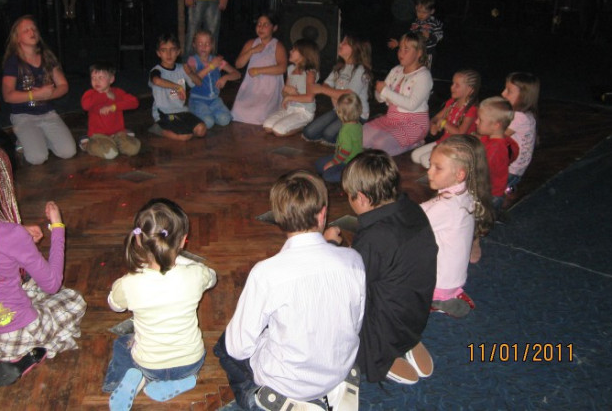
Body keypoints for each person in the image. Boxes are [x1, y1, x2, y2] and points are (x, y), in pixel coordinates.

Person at [214, 170, 365, 410]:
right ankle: (333, 391)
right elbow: (355, 324)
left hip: (288, 382)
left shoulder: (266, 273)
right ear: (323, 214)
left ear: (279, 217)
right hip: (339, 368)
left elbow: (238, 348)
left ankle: (266, 399)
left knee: (224, 347)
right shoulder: (353, 260)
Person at [0, 143, 86, 387]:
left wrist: (19, 234)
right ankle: (26, 357)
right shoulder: (10, 235)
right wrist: (57, 227)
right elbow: (52, 284)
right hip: (19, 331)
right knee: (74, 301)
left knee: (28, 289)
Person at [103, 198, 217, 408]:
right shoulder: (196, 274)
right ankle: (184, 380)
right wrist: (182, 260)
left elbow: (114, 305)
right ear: (183, 241)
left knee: (122, 343)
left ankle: (125, 381)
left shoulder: (128, 283)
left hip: (149, 365)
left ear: (138, 240)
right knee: (188, 356)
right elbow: (212, 277)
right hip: (190, 362)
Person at [340, 150, 437, 386]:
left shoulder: (376, 236)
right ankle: (407, 340)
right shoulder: (412, 209)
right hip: (415, 312)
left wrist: (333, 247)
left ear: (362, 198)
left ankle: (383, 353)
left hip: (385, 327)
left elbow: (351, 285)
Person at [422, 135, 493, 318]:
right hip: (453, 280)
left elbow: (411, 225)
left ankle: (439, 301)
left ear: (459, 174)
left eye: (437, 168)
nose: (429, 172)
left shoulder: (446, 207)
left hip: (438, 283)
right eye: (430, 165)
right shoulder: (465, 194)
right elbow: (428, 208)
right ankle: (447, 296)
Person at [1, 15, 77, 165]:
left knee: (68, 152)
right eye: (26, 30)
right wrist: (34, 95)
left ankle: (37, 138)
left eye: (34, 29)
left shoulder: (47, 57)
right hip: (23, 115)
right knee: (37, 158)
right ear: (17, 38)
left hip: (47, 113)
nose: (32, 32)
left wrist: (48, 95)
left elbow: (63, 85)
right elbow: (8, 96)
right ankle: (24, 140)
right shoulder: (13, 62)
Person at [363, 32, 433, 155]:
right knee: (361, 136)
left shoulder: (423, 76)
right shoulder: (396, 70)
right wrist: (380, 93)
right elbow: (380, 98)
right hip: (392, 119)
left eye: (406, 49)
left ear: (419, 53)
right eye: (400, 48)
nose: (401, 53)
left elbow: (411, 104)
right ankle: (394, 142)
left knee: (380, 145)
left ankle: (414, 144)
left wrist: (385, 91)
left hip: (413, 123)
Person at [302, 35, 372, 145]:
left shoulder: (360, 70)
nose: (340, 44)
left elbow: (349, 95)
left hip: (356, 114)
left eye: (345, 43)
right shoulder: (339, 67)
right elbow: (326, 84)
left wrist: (323, 90)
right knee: (308, 132)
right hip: (339, 110)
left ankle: (358, 130)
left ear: (355, 48)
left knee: (328, 134)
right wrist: (332, 93)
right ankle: (343, 133)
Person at [411, 69, 481, 168]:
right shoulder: (452, 102)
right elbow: (436, 118)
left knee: (425, 160)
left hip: (459, 147)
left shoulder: (471, 109)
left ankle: (449, 170)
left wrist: (444, 123)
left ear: (470, 90)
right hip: (445, 142)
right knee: (415, 156)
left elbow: (460, 133)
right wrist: (433, 125)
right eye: (453, 83)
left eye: (457, 85)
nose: (452, 87)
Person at [231, 12, 287, 125]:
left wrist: (259, 70)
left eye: (265, 25)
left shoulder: (277, 45)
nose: (261, 27)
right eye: (259, 24)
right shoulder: (251, 43)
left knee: (259, 113)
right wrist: (252, 51)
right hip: (252, 87)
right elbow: (238, 64)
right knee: (237, 111)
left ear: (274, 28)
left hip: (268, 89)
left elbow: (282, 68)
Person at [149, 33, 207, 141]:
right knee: (184, 136)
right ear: (158, 53)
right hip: (165, 113)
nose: (169, 54)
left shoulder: (181, 68)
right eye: (164, 50)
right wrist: (177, 87)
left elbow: (199, 83)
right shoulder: (156, 70)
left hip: (181, 111)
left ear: (178, 52)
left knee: (201, 130)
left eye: (172, 49)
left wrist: (190, 73)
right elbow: (156, 81)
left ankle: (180, 127)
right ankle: (157, 128)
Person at [80, 61, 141, 159]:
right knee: (110, 154)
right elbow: (85, 106)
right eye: (93, 78)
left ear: (111, 79)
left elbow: (134, 102)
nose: (96, 81)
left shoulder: (117, 92)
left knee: (133, 149)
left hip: (118, 133)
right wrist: (104, 95)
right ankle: (87, 144)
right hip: (98, 135)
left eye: (101, 77)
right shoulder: (90, 94)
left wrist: (114, 107)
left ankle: (116, 141)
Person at [263, 38, 320, 136]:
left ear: (304, 55)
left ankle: (304, 124)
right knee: (267, 126)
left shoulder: (310, 73)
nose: (290, 51)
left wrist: (291, 96)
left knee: (278, 131)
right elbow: (284, 92)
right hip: (290, 108)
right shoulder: (290, 69)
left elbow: (309, 98)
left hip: (303, 111)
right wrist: (286, 93)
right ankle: (290, 122)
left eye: (294, 50)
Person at [186, 29, 241, 129]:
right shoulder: (192, 61)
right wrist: (211, 66)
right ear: (194, 45)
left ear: (212, 46)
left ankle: (209, 114)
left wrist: (225, 77)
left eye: (207, 44)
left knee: (225, 119)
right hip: (198, 100)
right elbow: (194, 79)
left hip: (214, 100)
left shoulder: (217, 60)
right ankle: (195, 112)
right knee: (208, 122)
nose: (204, 47)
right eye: (200, 43)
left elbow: (237, 74)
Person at [475, 97, 519, 214]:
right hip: (494, 190)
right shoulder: (506, 140)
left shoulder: (495, 149)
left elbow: (480, 172)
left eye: (480, 120)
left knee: (482, 218)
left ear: (496, 125)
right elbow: (514, 153)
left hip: (489, 195)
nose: (476, 122)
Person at [501, 72, 540, 195]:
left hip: (511, 169)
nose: (503, 93)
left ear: (523, 96)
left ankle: (504, 191)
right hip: (516, 168)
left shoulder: (519, 117)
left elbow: (498, 135)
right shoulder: (527, 114)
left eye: (509, 91)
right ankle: (508, 188)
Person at [314, 91, 363, 183]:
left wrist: (333, 162)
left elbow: (345, 151)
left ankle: (352, 174)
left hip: (348, 162)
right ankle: (351, 171)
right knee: (319, 164)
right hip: (350, 158)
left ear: (340, 113)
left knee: (327, 176)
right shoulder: (358, 123)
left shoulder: (346, 131)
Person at [388, 0, 444, 69]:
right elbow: (409, 37)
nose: (421, 14)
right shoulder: (415, 23)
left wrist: (430, 36)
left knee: (424, 71)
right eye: (418, 11)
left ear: (432, 11)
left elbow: (440, 36)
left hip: (427, 53)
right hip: (415, 53)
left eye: (424, 12)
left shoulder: (434, 23)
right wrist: (399, 43)